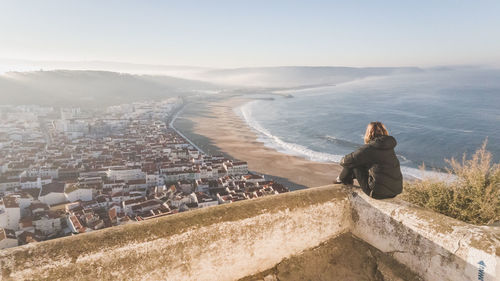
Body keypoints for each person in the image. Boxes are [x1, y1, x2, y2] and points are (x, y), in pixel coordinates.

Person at [335, 121, 403, 199]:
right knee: (359, 162)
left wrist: (342, 161)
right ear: (384, 131)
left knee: (353, 164)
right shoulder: (388, 147)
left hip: (377, 193)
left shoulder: (370, 148)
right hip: (394, 191)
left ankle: (340, 181)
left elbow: (347, 161)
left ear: (369, 133)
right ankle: (343, 180)